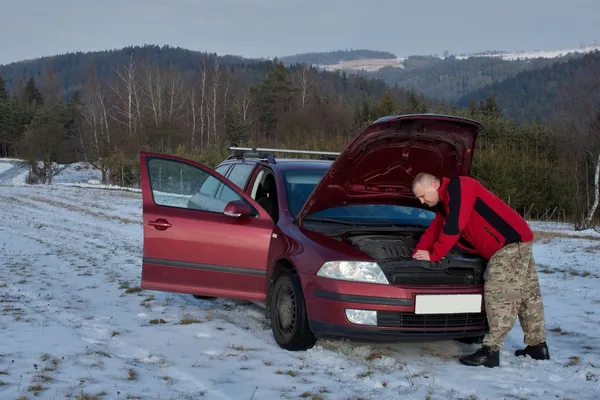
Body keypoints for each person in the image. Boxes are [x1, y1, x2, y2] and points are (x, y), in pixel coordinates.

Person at [410, 172, 550, 368]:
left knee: (499, 295)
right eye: (419, 199)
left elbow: (453, 227)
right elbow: (435, 229)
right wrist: (418, 252)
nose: (423, 202)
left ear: (434, 184)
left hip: (508, 244)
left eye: (423, 196)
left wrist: (434, 255)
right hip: (513, 242)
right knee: (528, 294)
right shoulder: (446, 203)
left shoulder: (460, 187)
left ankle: (491, 351)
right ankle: (538, 347)